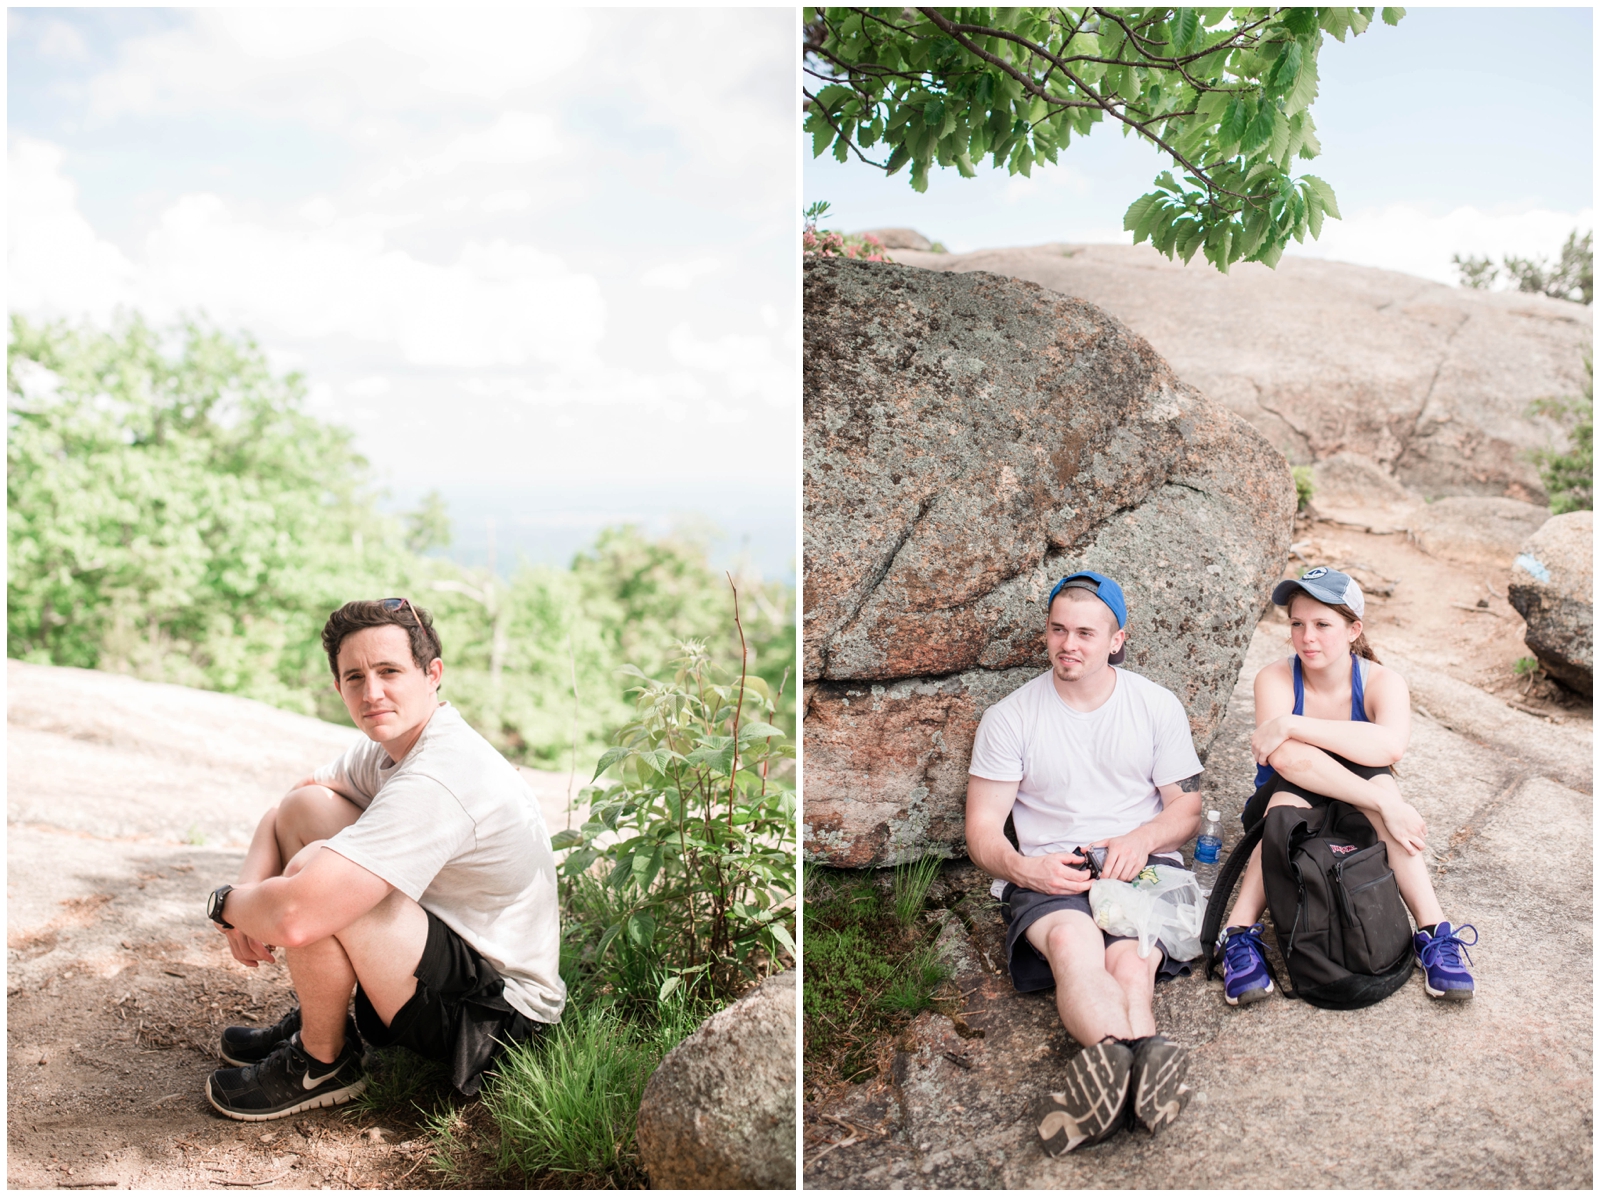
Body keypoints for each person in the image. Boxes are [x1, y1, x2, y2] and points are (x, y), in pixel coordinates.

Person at [201, 598, 564, 1121]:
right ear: (339, 688)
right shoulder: (391, 746)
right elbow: (286, 808)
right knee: (308, 813)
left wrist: (227, 904)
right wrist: (245, 891)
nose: (372, 693)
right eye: (355, 677)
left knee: (317, 873)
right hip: (446, 949)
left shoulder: (441, 774)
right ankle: (320, 1016)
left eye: (389, 671)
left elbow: (296, 917)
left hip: (497, 1022)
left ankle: (321, 1062)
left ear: (432, 673)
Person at [965, 571, 1204, 1156]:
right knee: (1076, 949)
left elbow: (1188, 809)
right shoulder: (1009, 718)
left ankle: (1114, 1075)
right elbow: (982, 831)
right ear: (1046, 633)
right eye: (1058, 630)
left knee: (1132, 961)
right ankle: (1138, 1064)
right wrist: (1026, 870)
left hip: (1142, 864)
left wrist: (1144, 837)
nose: (1068, 644)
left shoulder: (1155, 705)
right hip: (1056, 871)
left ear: (1116, 639)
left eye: (1085, 633)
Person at [1216, 567, 1477, 1007]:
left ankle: (1434, 934)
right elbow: (1284, 759)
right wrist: (1379, 797)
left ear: (1354, 629)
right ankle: (1237, 937)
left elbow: (1389, 747)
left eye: (1322, 624)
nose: (1307, 637)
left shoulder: (1381, 681)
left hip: (1357, 808)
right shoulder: (1275, 678)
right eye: (1297, 623)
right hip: (1293, 802)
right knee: (1283, 805)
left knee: (1382, 794)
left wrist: (1292, 723)